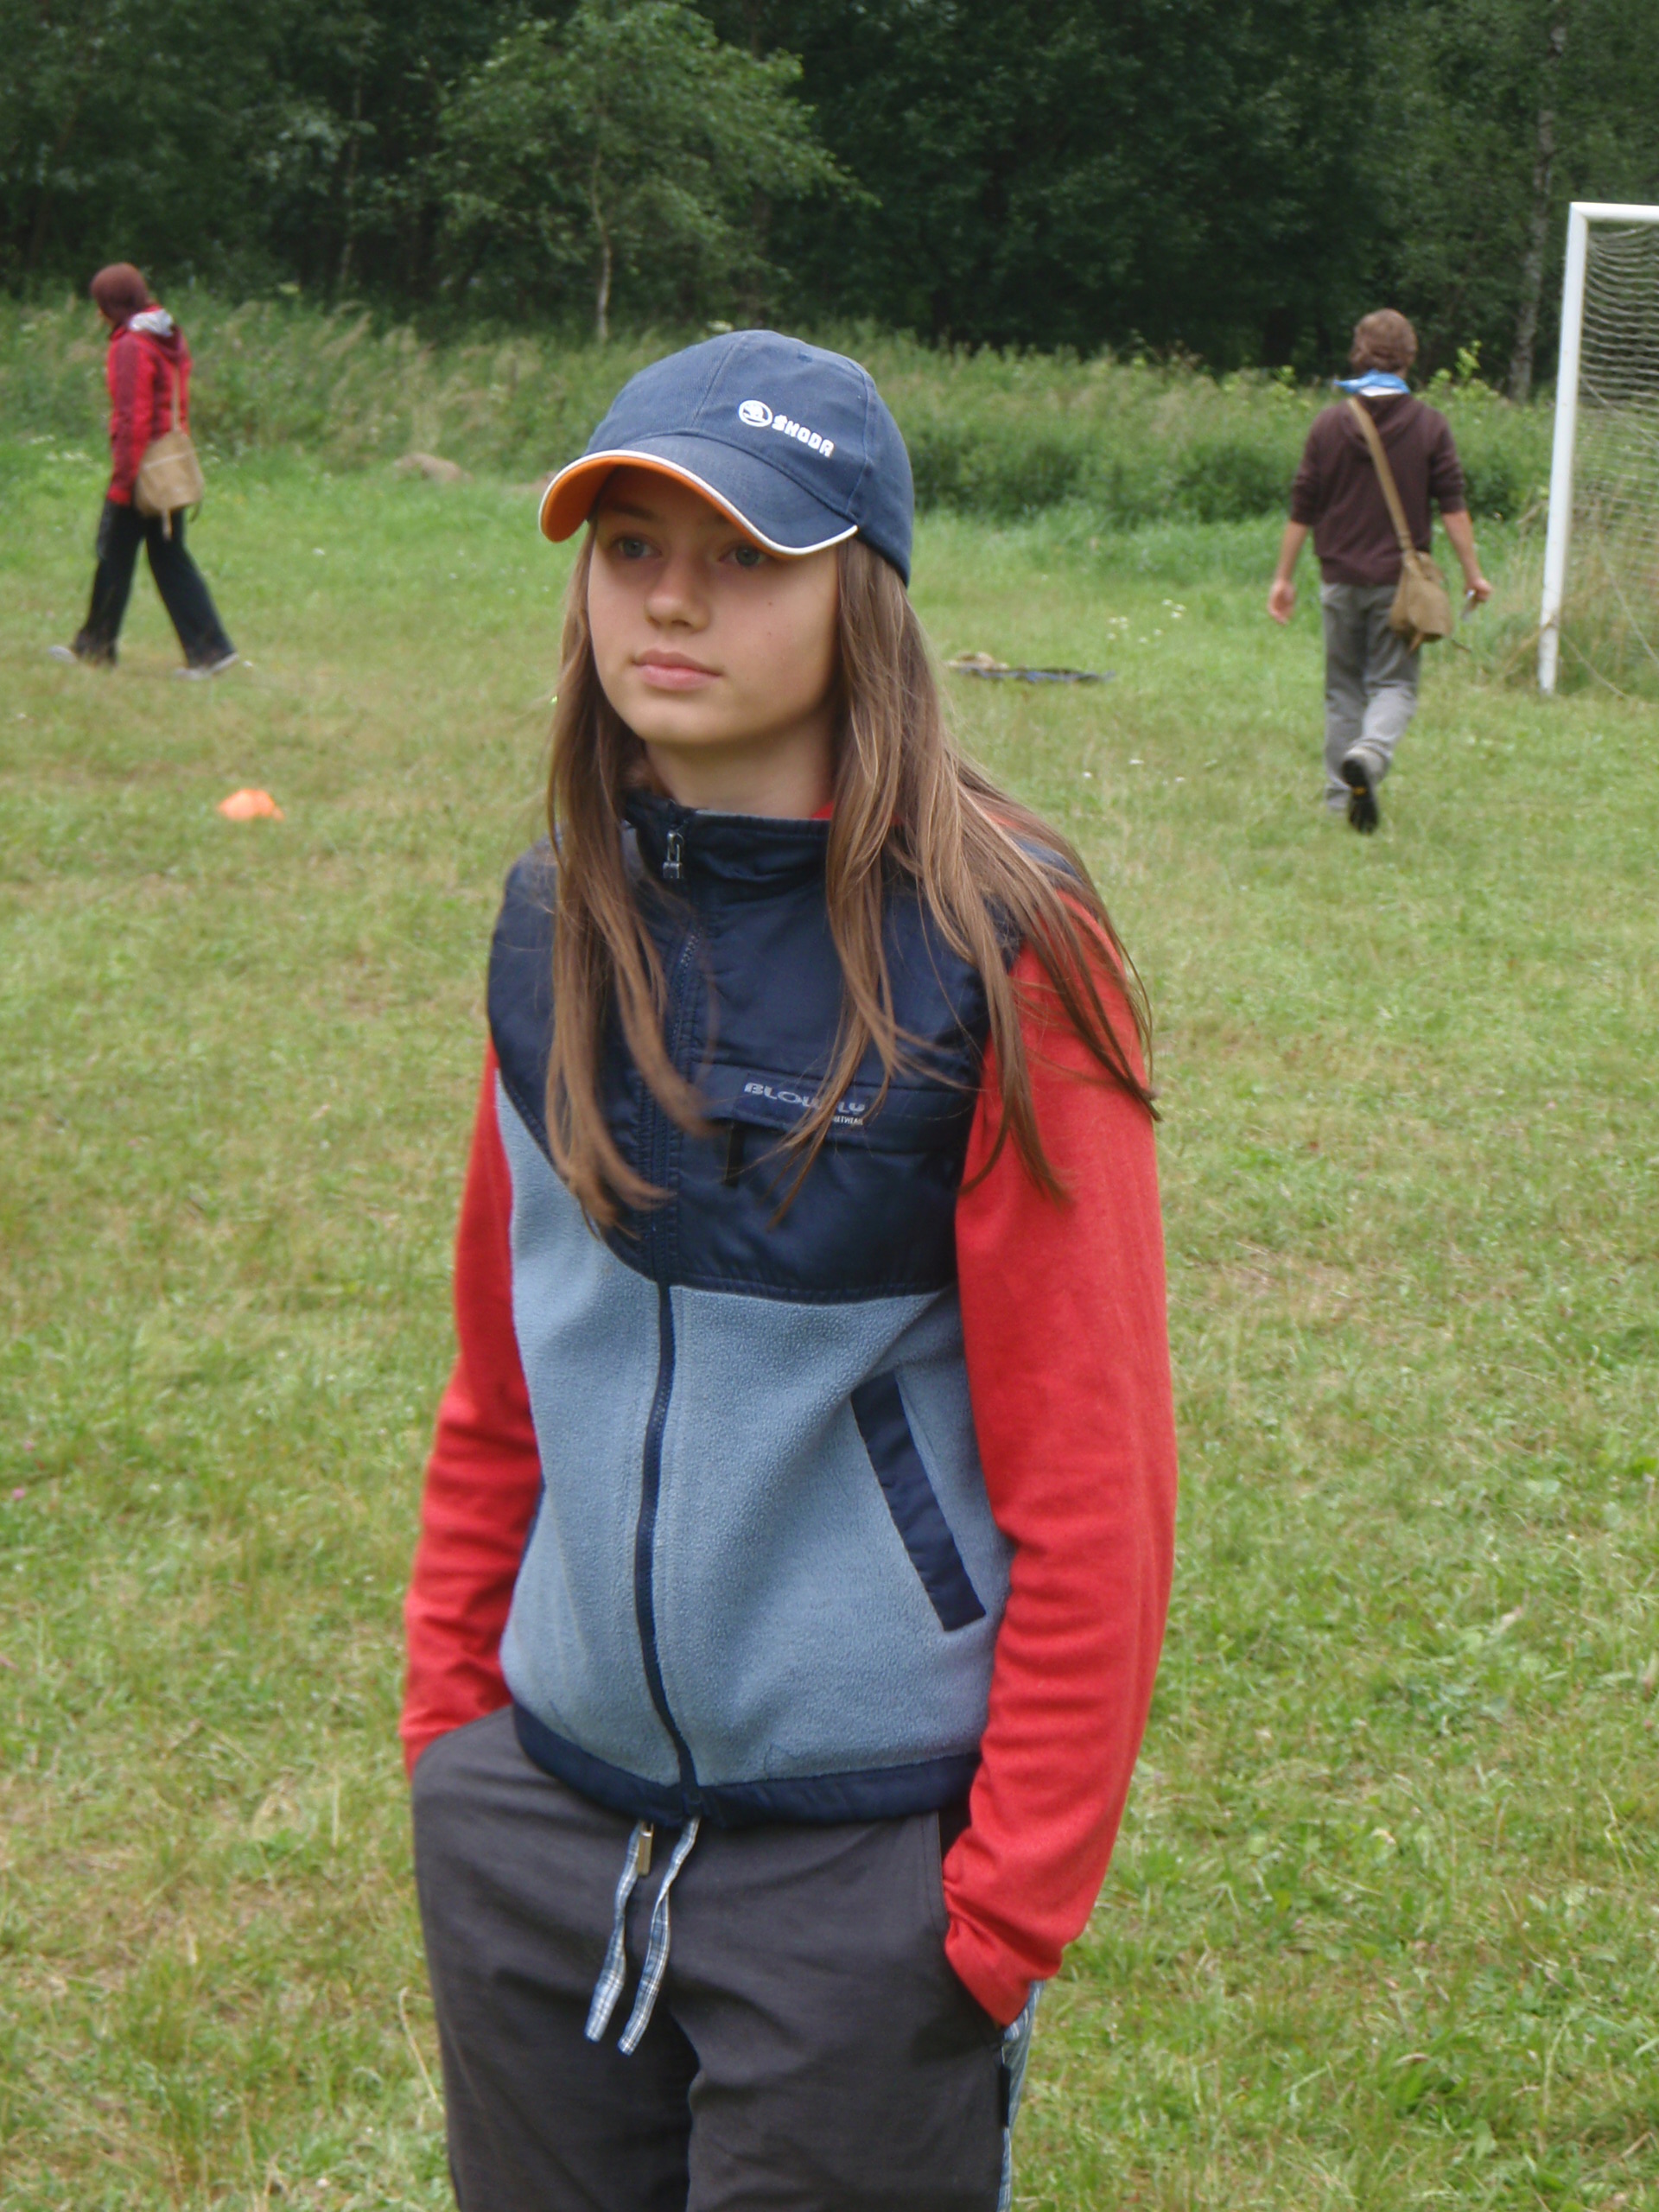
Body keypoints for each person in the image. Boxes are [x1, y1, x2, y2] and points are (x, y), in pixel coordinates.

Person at [402, 330, 1178, 2212]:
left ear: (864, 594)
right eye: (631, 548)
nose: (671, 600)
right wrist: (454, 1745)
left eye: (745, 555)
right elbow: (505, 1381)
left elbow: (1097, 1477)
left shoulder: (1001, 952)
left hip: (862, 1877)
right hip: (537, 1824)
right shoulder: (553, 918)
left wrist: (994, 1913)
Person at [1267, 308, 1491, 833]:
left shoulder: (1329, 424)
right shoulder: (1430, 425)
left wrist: (1283, 577)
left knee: (1342, 690)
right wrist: (1473, 573)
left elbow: (1302, 507)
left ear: (1358, 354)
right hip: (1399, 587)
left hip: (1339, 580)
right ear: (1409, 358)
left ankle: (1337, 798)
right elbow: (1453, 508)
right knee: (1396, 686)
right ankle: (1369, 754)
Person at [48, 263, 236, 677]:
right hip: (168, 467)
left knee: (114, 556)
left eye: (101, 303)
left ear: (112, 304)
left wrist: (124, 481)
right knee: (168, 557)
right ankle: (211, 650)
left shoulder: (131, 346)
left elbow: (133, 417)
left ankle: (97, 647)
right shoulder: (165, 336)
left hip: (141, 473)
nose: (98, 312)